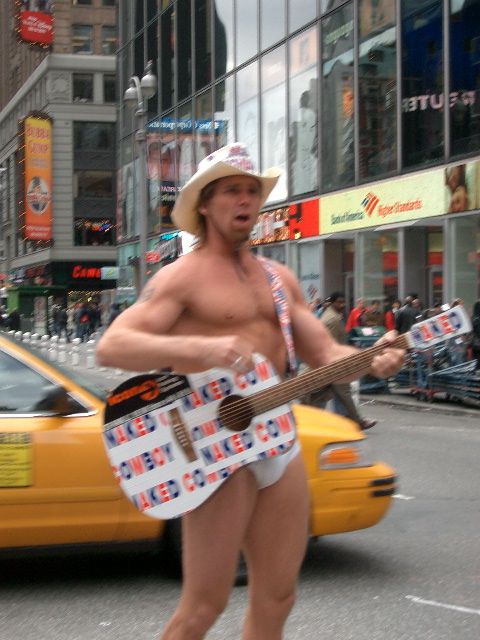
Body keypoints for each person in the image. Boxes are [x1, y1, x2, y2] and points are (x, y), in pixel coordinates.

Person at [96, 142, 404, 640]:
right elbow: (112, 346)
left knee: (278, 596)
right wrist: (200, 347)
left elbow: (325, 353)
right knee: (204, 606)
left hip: (277, 439)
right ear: (204, 204)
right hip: (212, 447)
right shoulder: (181, 277)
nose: (245, 200)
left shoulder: (279, 280)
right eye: (231, 191)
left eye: (252, 191)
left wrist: (375, 359)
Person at [305, 291, 377, 431]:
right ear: (332, 303)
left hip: (330, 363)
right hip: (333, 364)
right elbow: (329, 345)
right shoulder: (332, 319)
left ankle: (337, 419)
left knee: (327, 395)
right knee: (342, 393)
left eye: (343, 302)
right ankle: (356, 421)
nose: (342, 305)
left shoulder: (332, 316)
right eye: (338, 302)